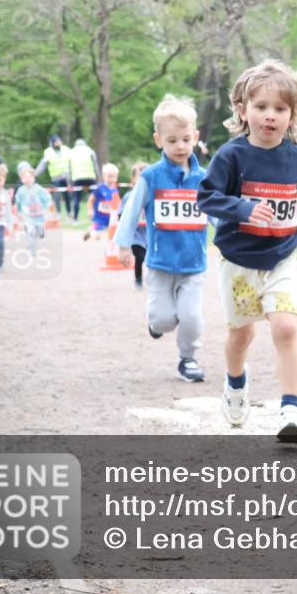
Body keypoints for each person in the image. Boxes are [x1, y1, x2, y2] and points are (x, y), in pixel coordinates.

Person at [197, 59, 297, 441]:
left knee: (285, 327)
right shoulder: (232, 156)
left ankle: (291, 410)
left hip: (281, 257)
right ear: (242, 110)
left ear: (293, 115)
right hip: (239, 262)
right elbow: (206, 198)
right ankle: (235, 384)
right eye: (261, 107)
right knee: (242, 336)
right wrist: (243, 208)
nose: (270, 116)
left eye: (280, 109)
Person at [115, 95, 209, 382]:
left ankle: (187, 358)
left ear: (195, 137)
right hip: (159, 264)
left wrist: (234, 232)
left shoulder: (205, 178)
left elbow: (217, 211)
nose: (179, 146)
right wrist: (123, 244)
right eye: (171, 141)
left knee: (191, 317)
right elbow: (131, 212)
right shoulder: (151, 177)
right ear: (158, 140)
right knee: (163, 319)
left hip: (194, 264)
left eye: (185, 139)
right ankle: (155, 323)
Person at [118, 161, 150, 289]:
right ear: (133, 179)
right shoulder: (128, 196)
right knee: (140, 257)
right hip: (136, 235)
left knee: (151, 259)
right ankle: (138, 279)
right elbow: (122, 214)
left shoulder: (154, 195)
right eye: (140, 176)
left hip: (150, 234)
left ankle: (152, 279)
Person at [15, 163, 54, 255]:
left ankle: (41, 232)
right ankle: (31, 248)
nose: (27, 179)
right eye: (25, 177)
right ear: (21, 179)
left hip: (38, 216)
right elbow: (18, 202)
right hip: (27, 216)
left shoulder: (39, 189)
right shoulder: (21, 190)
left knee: (38, 232)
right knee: (30, 232)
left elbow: (47, 199)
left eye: (29, 176)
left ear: (33, 178)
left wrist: (47, 207)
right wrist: (19, 213)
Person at [35, 134, 72, 219]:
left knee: (68, 196)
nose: (60, 142)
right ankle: (58, 213)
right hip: (56, 178)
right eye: (57, 141)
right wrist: (34, 174)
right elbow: (42, 165)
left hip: (67, 178)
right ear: (53, 142)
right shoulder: (48, 152)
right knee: (57, 196)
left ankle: (69, 213)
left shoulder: (66, 149)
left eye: (60, 140)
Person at [83, 163, 120, 241]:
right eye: (109, 177)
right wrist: (90, 210)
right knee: (97, 236)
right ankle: (91, 232)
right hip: (99, 218)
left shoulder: (115, 190)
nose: (112, 179)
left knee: (115, 234)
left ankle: (91, 230)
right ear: (104, 177)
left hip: (110, 217)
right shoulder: (100, 188)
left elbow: (117, 203)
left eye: (114, 177)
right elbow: (91, 200)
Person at [68, 138, 101, 223]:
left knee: (76, 199)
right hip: (90, 177)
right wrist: (99, 178)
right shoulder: (90, 150)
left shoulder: (71, 152)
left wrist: (69, 183)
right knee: (95, 198)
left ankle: (75, 219)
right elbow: (95, 166)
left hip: (77, 178)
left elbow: (69, 170)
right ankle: (96, 218)